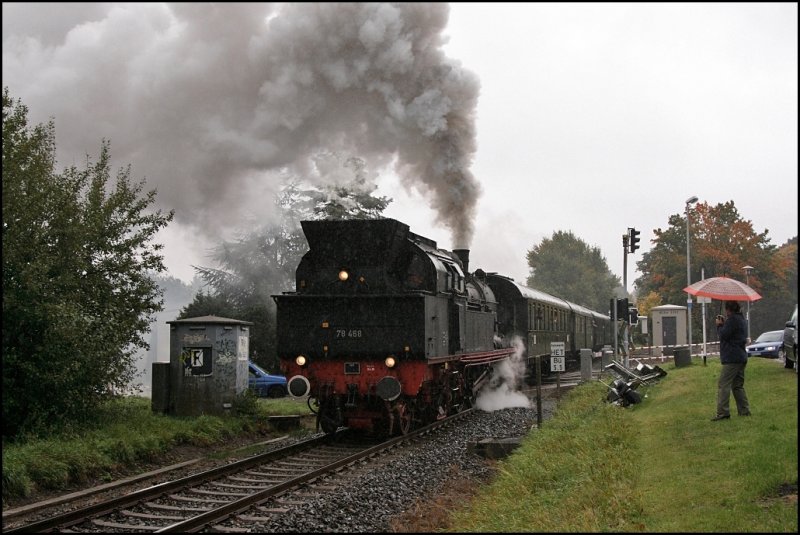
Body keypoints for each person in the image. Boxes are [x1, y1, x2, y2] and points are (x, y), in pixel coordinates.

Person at [712, 300, 751, 421]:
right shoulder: (741, 319)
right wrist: (725, 324)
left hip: (732, 358)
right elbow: (732, 334)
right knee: (737, 386)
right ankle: (744, 411)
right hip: (741, 356)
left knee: (723, 384)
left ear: (728, 310)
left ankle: (723, 413)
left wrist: (719, 325)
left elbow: (724, 335)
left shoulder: (732, 320)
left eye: (726, 310)